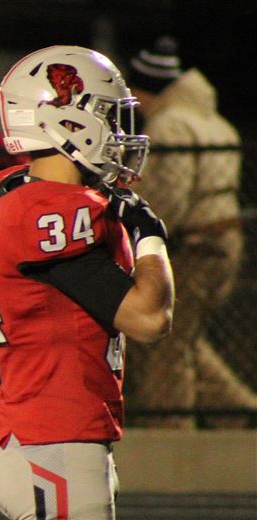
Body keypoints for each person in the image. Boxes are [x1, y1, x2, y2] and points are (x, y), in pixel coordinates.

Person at [0, 45, 174, 520]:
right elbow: (148, 318)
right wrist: (152, 240)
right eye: (109, 116)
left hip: (37, 435)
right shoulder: (52, 212)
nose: (119, 132)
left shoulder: (10, 188)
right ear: (67, 121)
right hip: (55, 447)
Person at [124, 36, 255, 420]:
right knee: (187, 339)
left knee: (168, 347)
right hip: (225, 240)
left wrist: (146, 240)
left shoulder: (169, 124)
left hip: (193, 245)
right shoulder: (215, 121)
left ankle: (171, 425)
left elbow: (169, 197)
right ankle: (243, 411)